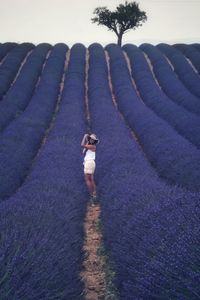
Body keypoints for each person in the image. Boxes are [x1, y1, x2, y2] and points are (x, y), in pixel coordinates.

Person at [81, 133, 99, 198]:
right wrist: (87, 138)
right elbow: (86, 144)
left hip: (89, 163)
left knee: (87, 179)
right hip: (91, 163)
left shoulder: (92, 146)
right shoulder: (91, 145)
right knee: (91, 179)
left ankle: (92, 194)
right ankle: (95, 193)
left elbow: (82, 145)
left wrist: (84, 136)